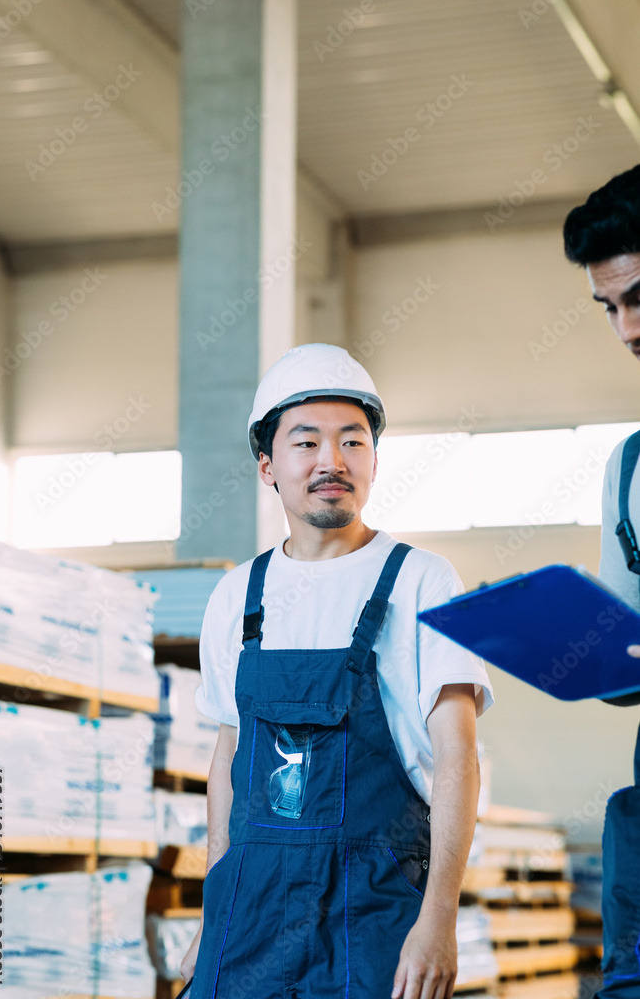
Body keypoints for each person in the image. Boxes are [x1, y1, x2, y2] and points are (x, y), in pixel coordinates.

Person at [180, 342, 494, 999]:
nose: (332, 461)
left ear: (374, 460)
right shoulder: (237, 595)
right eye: (306, 442)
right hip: (252, 910)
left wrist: (437, 920)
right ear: (267, 465)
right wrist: (215, 913)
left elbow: (457, 757)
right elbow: (228, 757)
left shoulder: (422, 581)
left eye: (352, 442)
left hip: (373, 905)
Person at [563, 165, 640, 668]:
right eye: (610, 307)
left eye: (638, 299)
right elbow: (626, 673)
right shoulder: (629, 467)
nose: (627, 330)